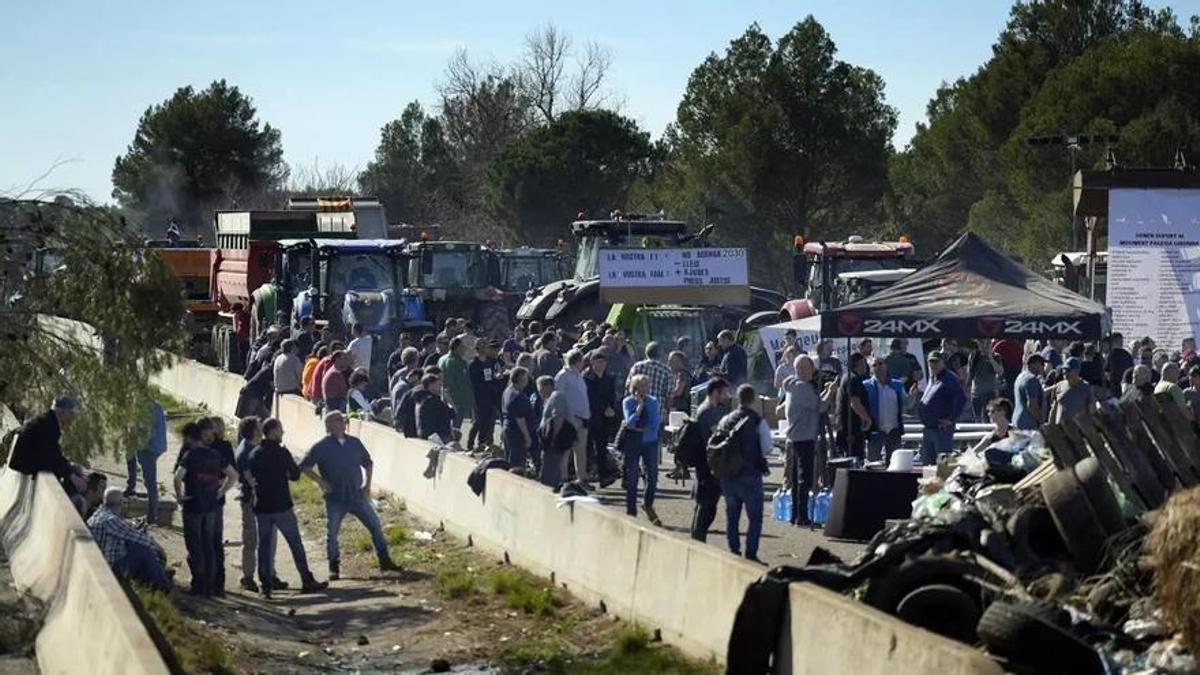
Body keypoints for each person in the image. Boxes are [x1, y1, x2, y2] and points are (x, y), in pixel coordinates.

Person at [299, 412, 399, 580]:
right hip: (335, 497)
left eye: (343, 420)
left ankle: (384, 560)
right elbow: (304, 465)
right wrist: (321, 482)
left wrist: (367, 485)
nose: (342, 423)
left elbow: (368, 463)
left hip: (356, 495)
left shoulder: (354, 443)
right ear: (329, 425)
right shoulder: (322, 446)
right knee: (332, 533)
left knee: (375, 526)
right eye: (338, 421)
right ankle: (334, 566)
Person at [247, 418, 327, 597]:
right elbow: (295, 475)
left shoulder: (255, 453)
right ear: (273, 432)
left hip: (261, 506)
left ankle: (265, 586)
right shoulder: (282, 453)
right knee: (295, 543)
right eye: (280, 430)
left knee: (264, 547)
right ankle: (306, 580)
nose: (283, 433)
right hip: (281, 505)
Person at [173, 422, 237, 597]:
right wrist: (219, 492)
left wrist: (179, 496)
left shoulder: (189, 455)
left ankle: (199, 585)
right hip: (210, 506)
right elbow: (233, 475)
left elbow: (178, 477)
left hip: (193, 505)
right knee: (210, 545)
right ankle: (211, 586)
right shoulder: (215, 454)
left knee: (195, 546)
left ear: (188, 437)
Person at [714, 385, 773, 563]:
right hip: (750, 474)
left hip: (729, 474)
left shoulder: (726, 419)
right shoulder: (757, 420)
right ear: (753, 399)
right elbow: (767, 447)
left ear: (737, 399)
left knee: (732, 515)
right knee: (755, 517)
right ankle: (751, 552)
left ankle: (734, 549)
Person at [779, 358, 830, 526]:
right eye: (810, 368)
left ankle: (795, 514)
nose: (813, 372)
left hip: (795, 438)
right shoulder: (802, 387)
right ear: (801, 369)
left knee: (795, 478)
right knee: (804, 478)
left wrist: (824, 392)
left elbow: (814, 403)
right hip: (804, 438)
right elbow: (821, 406)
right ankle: (802, 516)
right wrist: (831, 391)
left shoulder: (794, 386)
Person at [88, 488, 170, 590]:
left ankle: (156, 575)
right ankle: (163, 585)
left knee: (136, 547)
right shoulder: (111, 520)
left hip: (101, 559)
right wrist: (159, 549)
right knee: (144, 550)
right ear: (121, 503)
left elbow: (125, 532)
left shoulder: (100, 513)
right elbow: (142, 540)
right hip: (110, 566)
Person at [689, 379, 730, 540]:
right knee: (707, 505)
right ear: (715, 393)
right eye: (724, 392)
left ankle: (698, 536)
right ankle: (698, 538)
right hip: (707, 463)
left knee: (708, 505)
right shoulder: (708, 412)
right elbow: (717, 435)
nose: (727, 396)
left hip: (710, 461)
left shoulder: (712, 409)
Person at [620, 374, 663, 524]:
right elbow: (630, 423)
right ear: (635, 387)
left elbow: (654, 424)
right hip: (633, 444)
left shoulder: (653, 402)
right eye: (641, 385)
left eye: (646, 385)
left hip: (650, 443)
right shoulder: (628, 402)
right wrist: (639, 407)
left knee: (652, 475)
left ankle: (648, 502)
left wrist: (639, 427)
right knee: (632, 478)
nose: (645, 388)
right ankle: (631, 511)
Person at [9, 396, 77, 486]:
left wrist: (69, 467)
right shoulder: (48, 426)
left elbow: (54, 452)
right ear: (61, 411)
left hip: (26, 462)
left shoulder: (48, 421)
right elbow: (51, 456)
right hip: (25, 464)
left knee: (69, 469)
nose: (72, 418)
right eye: (71, 413)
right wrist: (71, 474)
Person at [916, 352, 967, 465]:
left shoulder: (950, 378)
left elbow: (961, 399)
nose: (933, 364)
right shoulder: (932, 378)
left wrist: (951, 419)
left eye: (936, 361)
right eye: (931, 362)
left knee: (943, 466)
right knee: (928, 466)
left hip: (941, 430)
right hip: (928, 429)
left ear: (943, 362)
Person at [206, 417, 237, 594]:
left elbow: (232, 471)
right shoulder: (197, 445)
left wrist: (220, 487)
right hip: (202, 497)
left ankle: (218, 582)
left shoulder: (223, 446)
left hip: (216, 497)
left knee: (215, 540)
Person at [125, 400, 167, 523]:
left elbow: (145, 432)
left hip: (148, 448)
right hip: (156, 446)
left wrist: (134, 444)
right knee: (148, 479)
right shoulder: (157, 405)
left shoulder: (144, 407)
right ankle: (131, 485)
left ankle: (152, 515)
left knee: (149, 481)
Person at [554, 350, 591, 484]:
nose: (583, 363)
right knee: (566, 450)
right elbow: (558, 397)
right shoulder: (563, 376)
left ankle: (582, 478)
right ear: (577, 361)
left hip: (583, 417)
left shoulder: (578, 375)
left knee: (581, 450)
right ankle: (562, 478)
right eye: (582, 361)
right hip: (571, 418)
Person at [862, 357, 906, 463]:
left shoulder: (897, 384)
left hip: (894, 430)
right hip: (875, 430)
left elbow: (906, 404)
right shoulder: (866, 385)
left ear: (886, 366)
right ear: (871, 369)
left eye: (880, 364)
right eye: (874, 365)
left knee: (895, 464)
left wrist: (912, 398)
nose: (878, 367)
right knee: (873, 463)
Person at [584, 354, 618, 483]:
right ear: (592, 364)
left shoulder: (609, 378)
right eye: (598, 362)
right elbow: (589, 399)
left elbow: (612, 396)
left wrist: (611, 408)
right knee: (587, 448)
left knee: (602, 448)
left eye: (603, 362)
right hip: (590, 417)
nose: (601, 365)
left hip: (604, 419)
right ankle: (586, 474)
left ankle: (603, 476)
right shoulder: (587, 378)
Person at [468, 340, 504, 451]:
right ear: (477, 349)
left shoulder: (492, 361)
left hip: (491, 394)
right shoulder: (473, 364)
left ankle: (486, 443)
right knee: (479, 421)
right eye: (481, 346)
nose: (484, 349)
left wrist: (498, 376)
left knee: (490, 420)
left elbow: (497, 372)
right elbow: (473, 381)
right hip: (479, 396)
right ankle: (473, 442)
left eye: (485, 346)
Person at [835, 353, 871, 461]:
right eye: (863, 363)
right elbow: (855, 403)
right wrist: (867, 419)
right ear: (859, 364)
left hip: (845, 426)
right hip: (851, 428)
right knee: (855, 460)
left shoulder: (847, 377)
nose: (865, 366)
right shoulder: (853, 379)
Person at [537, 376, 571, 487]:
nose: (540, 392)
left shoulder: (557, 397)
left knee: (549, 473)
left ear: (548, 386)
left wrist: (553, 438)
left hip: (554, 443)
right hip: (549, 442)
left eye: (541, 389)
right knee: (548, 470)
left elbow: (558, 418)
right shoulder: (549, 399)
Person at [438, 337, 474, 432]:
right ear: (457, 348)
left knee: (445, 424)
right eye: (462, 347)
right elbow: (465, 381)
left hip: (444, 396)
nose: (464, 349)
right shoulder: (459, 362)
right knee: (455, 427)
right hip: (458, 398)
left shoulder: (441, 359)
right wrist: (471, 399)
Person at [502, 368, 535, 469]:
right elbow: (520, 419)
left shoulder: (507, 391)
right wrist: (527, 437)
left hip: (507, 429)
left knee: (509, 459)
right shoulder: (519, 396)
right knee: (517, 463)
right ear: (521, 379)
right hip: (517, 433)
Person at [1048, 357, 1097, 424]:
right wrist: (1050, 425)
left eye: (1068, 370)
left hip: (1078, 430)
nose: (1065, 372)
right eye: (1064, 370)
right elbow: (1054, 409)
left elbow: (1092, 411)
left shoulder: (1086, 388)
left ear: (1077, 371)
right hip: (1060, 429)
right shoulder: (1059, 386)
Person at [630, 342, 674, 407]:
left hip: (638, 408)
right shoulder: (666, 370)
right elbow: (669, 395)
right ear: (660, 354)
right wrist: (668, 411)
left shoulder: (636, 367)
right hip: (658, 409)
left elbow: (629, 387)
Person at [966, 343, 1002, 421]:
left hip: (990, 393)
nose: (985, 346)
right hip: (977, 393)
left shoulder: (996, 356)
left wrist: (990, 357)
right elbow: (970, 374)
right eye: (983, 344)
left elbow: (999, 371)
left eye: (987, 344)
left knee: (990, 418)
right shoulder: (974, 356)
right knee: (978, 419)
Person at [415, 374, 454, 443]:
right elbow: (452, 413)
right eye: (438, 385)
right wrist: (448, 400)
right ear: (431, 385)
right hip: (438, 437)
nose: (440, 388)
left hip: (425, 434)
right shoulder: (433, 401)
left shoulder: (421, 399)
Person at [1012, 354, 1046, 431]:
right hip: (1028, 425)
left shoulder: (1020, 377)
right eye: (1042, 364)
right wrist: (1040, 421)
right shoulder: (1032, 380)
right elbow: (1031, 405)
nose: (1043, 368)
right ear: (1035, 364)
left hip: (1017, 421)